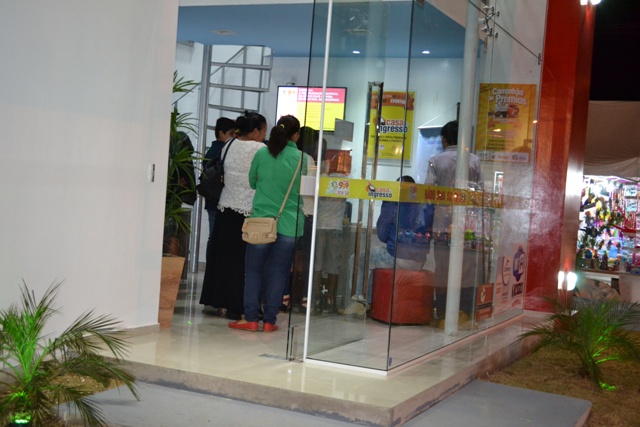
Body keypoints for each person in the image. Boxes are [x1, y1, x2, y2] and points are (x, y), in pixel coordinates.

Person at [229, 115, 307, 332]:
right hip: (289, 224)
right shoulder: (301, 159)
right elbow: (303, 188)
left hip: (261, 222)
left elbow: (252, 181)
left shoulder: (262, 153)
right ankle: (270, 321)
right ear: (296, 136)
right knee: (278, 271)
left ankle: (251, 319)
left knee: (253, 271)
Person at [199, 111, 267, 319]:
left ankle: (220, 302)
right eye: (263, 131)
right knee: (244, 263)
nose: (264, 135)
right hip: (248, 210)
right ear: (255, 131)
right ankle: (239, 304)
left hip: (226, 207)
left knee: (223, 258)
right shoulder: (261, 150)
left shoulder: (229, 144)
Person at [342, 176, 429, 315]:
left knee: (356, 259)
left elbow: (382, 234)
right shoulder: (422, 205)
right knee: (374, 262)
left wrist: (386, 205)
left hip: (398, 258)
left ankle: (359, 301)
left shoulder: (394, 204)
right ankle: (369, 303)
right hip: (419, 261)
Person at [425, 120, 483, 318]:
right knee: (466, 267)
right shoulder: (474, 161)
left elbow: (428, 192)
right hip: (468, 225)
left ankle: (442, 312)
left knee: (442, 267)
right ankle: (464, 311)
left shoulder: (435, 161)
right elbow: (481, 192)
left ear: (444, 139)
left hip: (441, 224)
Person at [202, 117, 236, 262]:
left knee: (213, 236)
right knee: (222, 238)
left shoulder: (211, 151)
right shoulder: (224, 150)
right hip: (222, 199)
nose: (233, 137)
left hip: (211, 199)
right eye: (231, 133)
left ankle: (210, 265)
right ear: (221, 133)